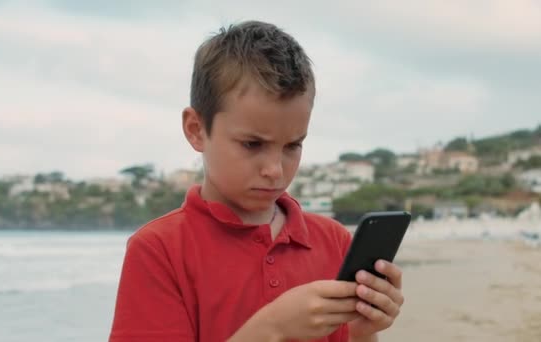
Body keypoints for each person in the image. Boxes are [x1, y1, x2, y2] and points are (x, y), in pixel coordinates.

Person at [109, 20, 404, 342]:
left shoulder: (334, 240)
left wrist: (363, 332)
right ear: (196, 129)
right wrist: (272, 329)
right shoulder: (158, 250)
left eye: (293, 145)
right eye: (253, 144)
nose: (275, 170)